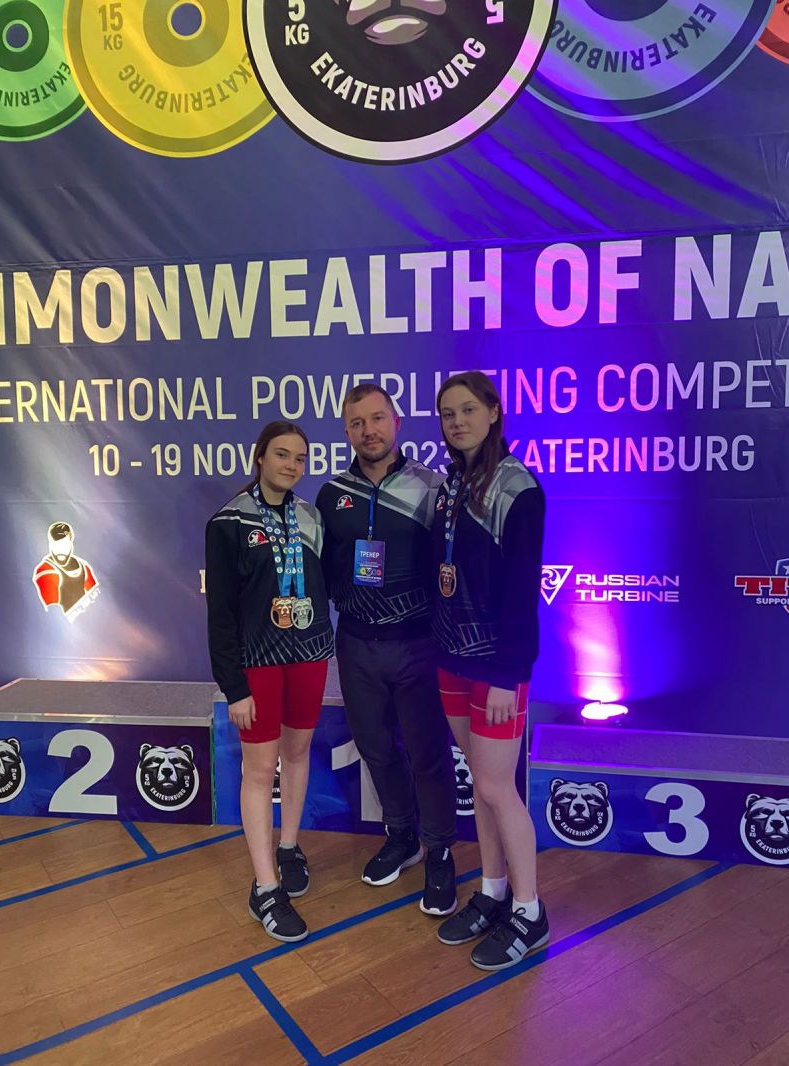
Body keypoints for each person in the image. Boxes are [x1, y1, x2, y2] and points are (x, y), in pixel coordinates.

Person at [316, 384, 459, 917]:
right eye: (357, 423)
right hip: (356, 644)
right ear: (346, 431)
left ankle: (440, 850)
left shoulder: (432, 487)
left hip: (418, 643)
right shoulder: (332, 494)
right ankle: (403, 836)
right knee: (376, 748)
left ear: (396, 422)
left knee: (428, 752)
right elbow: (324, 570)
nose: (368, 431)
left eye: (377, 419)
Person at [431, 371, 548, 971]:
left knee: (500, 788)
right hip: (451, 660)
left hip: (497, 667)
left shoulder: (517, 487)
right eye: (448, 414)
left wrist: (508, 673)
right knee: (481, 783)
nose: (457, 422)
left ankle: (530, 912)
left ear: (495, 411)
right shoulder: (451, 484)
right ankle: (493, 890)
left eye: (468, 410)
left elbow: (524, 590)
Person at [205, 420, 333, 943]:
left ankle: (288, 845)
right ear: (259, 457)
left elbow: (326, 583)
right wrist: (233, 686)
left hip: (309, 655)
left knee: (297, 754)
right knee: (260, 770)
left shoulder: (312, 517)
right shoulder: (228, 522)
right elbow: (220, 614)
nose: (291, 465)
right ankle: (265, 887)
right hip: (257, 663)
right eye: (282, 454)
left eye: (300, 458)